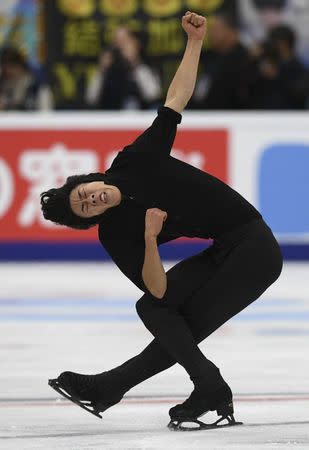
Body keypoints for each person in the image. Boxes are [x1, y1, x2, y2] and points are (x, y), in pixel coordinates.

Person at [41, 11, 283, 431]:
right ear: (91, 219)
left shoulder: (135, 160)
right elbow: (157, 289)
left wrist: (194, 42)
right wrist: (151, 238)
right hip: (224, 248)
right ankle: (161, 385)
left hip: (254, 246)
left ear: (90, 179)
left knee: (179, 324)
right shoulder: (115, 232)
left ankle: (170, 386)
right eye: (85, 208)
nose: (91, 200)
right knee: (155, 307)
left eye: (84, 193)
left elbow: (176, 99)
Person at [85, 26, 161, 110]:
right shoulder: (108, 66)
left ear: (135, 43)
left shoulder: (146, 64)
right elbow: (91, 98)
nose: (121, 47)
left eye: (125, 41)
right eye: (117, 42)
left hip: (139, 115)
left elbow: (153, 95)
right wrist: (102, 70)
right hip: (110, 115)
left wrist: (135, 63)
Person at [192, 12, 252, 109]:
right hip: (202, 113)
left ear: (232, 31)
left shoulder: (245, 60)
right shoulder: (208, 57)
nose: (211, 34)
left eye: (215, 30)